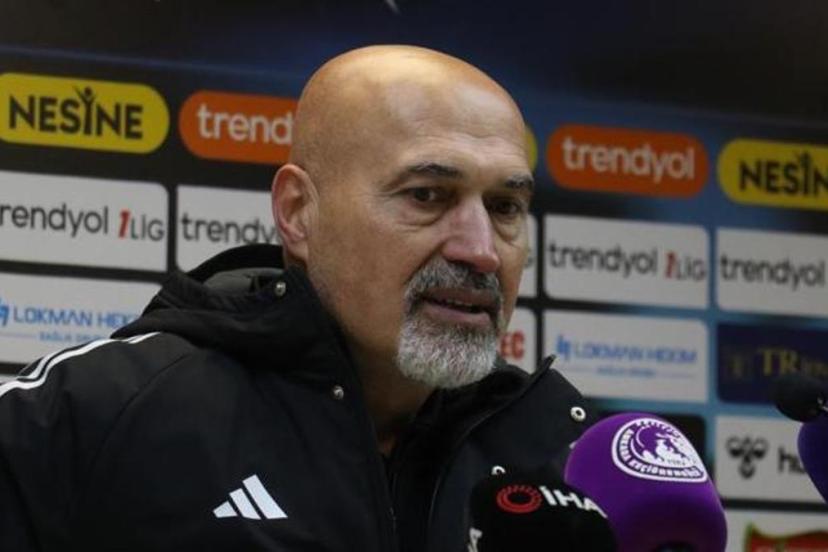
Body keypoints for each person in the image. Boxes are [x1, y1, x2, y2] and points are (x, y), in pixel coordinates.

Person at [0, 45, 594, 551]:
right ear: (298, 212)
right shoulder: (91, 413)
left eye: (505, 207)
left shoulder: (563, 463)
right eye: (427, 195)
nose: (481, 250)